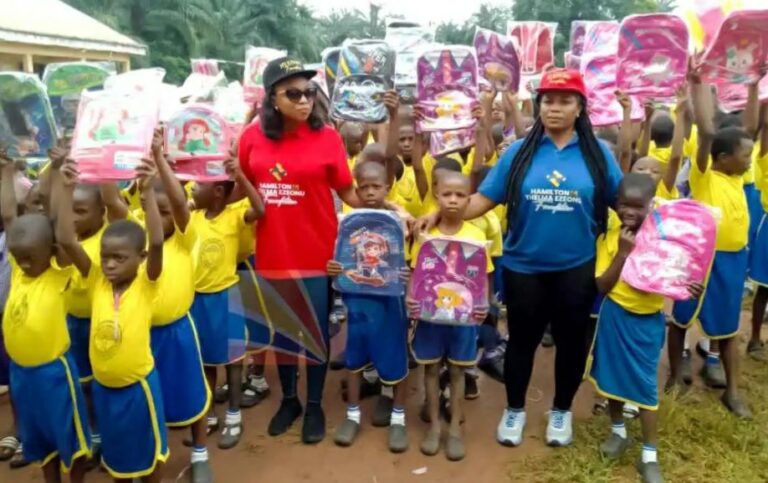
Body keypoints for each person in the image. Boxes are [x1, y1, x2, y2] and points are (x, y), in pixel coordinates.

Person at [419, 69, 623, 447]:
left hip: (576, 269)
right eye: (548, 100)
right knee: (521, 342)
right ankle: (514, 409)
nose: (555, 108)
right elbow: (482, 199)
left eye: (564, 100)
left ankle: (560, 411)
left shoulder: (597, 155)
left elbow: (623, 201)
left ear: (580, 107)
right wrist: (442, 213)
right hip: (522, 268)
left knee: (571, 343)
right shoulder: (519, 152)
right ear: (538, 105)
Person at [238, 57, 371, 444]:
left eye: (309, 92)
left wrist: (383, 209)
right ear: (272, 99)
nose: (304, 100)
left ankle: (314, 403)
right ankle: (290, 400)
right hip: (272, 252)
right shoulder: (251, 137)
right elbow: (238, 186)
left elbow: (346, 191)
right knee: (283, 331)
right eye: (293, 93)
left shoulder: (328, 136)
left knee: (314, 331)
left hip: (319, 253)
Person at [56, 158, 168, 482]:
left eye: (119, 258)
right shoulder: (95, 280)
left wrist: (146, 194)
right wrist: (65, 190)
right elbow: (66, 239)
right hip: (106, 388)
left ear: (140, 258)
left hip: (139, 388)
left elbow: (157, 241)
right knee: (117, 454)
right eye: (105, 257)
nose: (109, 265)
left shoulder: (147, 284)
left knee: (150, 453)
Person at [588, 173, 702, 483]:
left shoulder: (665, 241)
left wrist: (688, 286)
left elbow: (676, 277)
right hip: (614, 316)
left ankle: (649, 454)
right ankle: (618, 432)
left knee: (644, 386)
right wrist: (623, 252)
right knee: (609, 377)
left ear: (652, 206)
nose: (629, 212)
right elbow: (601, 285)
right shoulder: (610, 238)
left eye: (638, 206)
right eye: (624, 204)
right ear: (615, 204)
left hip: (647, 322)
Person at [0, 154, 91, 483]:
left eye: (29, 259)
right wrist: (7, 172)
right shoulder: (24, 271)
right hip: (21, 373)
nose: (22, 265)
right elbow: (10, 216)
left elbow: (65, 236)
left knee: (69, 437)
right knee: (38, 438)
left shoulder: (58, 275)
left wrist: (65, 188)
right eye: (17, 258)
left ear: (50, 252)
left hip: (55, 373)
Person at [667, 74, 753, 419]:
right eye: (744, 154)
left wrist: (752, 87)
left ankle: (732, 391)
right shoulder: (705, 175)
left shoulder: (738, 176)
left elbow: (750, 126)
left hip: (733, 261)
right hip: (699, 260)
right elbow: (705, 132)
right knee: (680, 321)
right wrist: (698, 85)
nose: (749, 159)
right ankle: (675, 376)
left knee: (729, 327)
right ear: (721, 157)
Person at [408, 171, 490, 461]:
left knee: (457, 372)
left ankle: (454, 427)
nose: (453, 200)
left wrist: (483, 305)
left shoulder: (477, 236)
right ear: (436, 195)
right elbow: (416, 273)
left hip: (463, 321)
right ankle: (434, 426)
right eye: (447, 194)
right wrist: (410, 298)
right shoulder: (426, 236)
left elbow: (482, 277)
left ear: (469, 198)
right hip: (430, 319)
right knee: (430, 370)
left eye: (460, 195)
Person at [328, 161, 410, 453]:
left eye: (377, 186)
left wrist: (406, 273)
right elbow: (340, 258)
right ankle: (352, 415)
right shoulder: (349, 221)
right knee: (354, 358)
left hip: (390, 303)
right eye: (364, 187)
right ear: (356, 188)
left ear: (387, 186)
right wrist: (334, 267)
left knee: (394, 357)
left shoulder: (398, 218)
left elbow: (408, 253)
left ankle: (398, 419)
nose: (371, 192)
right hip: (358, 301)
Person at [148, 133, 214, 482]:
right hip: (142, 333)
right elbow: (114, 202)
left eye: (166, 213)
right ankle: (153, 452)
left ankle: (200, 453)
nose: (160, 219)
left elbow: (176, 202)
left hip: (178, 330)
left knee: (192, 390)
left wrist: (159, 158)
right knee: (152, 394)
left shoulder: (184, 238)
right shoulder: (139, 241)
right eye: (152, 213)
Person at [188, 156, 264, 449]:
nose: (193, 190)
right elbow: (175, 202)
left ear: (218, 191)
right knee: (205, 361)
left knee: (233, 361)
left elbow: (259, 209)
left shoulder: (234, 215)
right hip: (197, 299)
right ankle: (208, 415)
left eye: (198, 186)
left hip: (226, 297)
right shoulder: (193, 216)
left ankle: (234, 416)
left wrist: (240, 177)